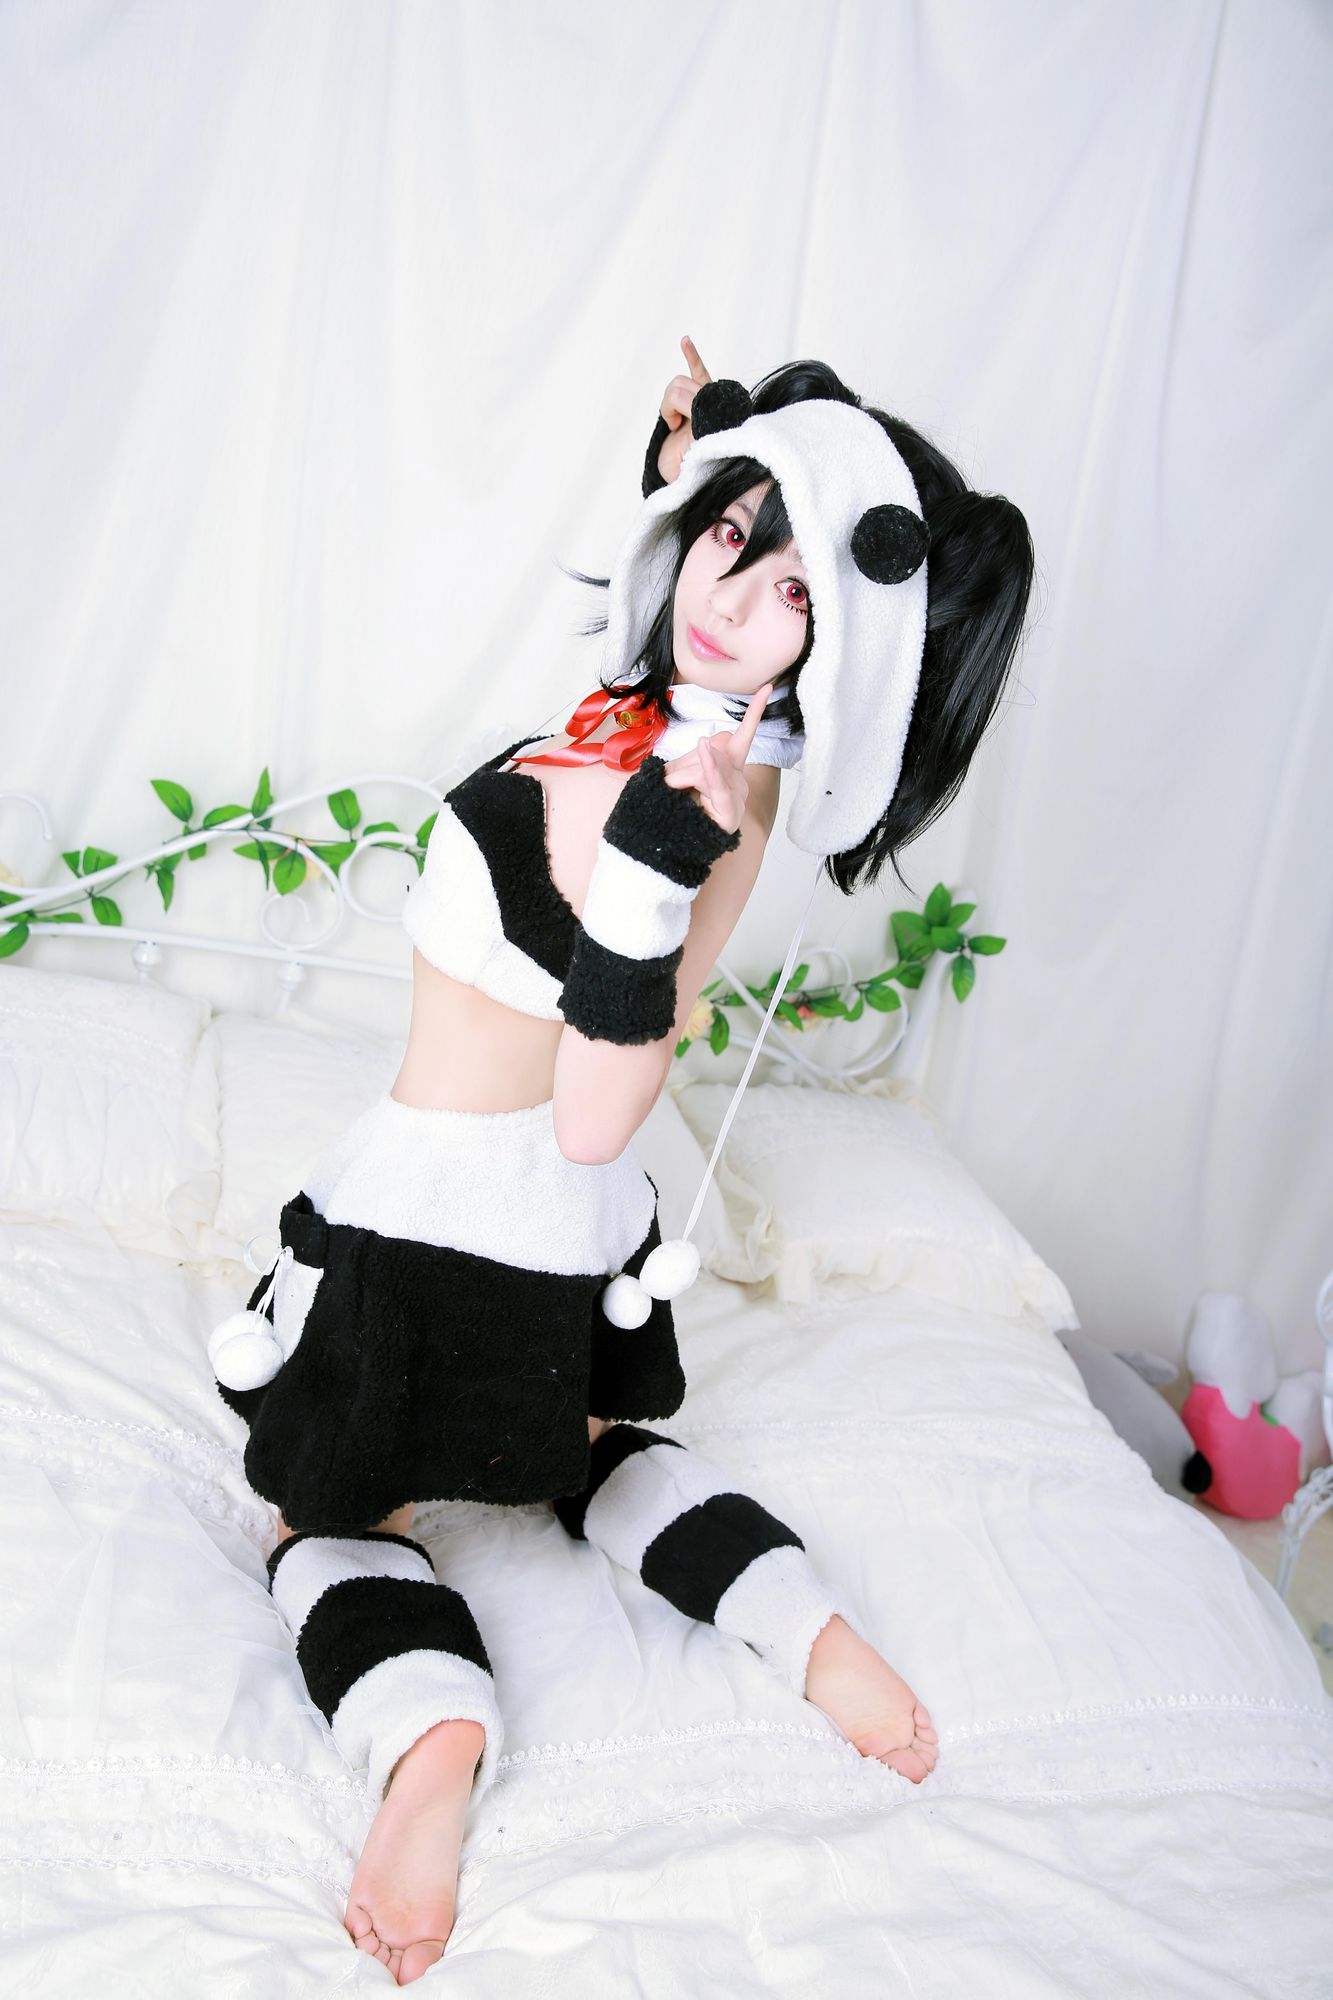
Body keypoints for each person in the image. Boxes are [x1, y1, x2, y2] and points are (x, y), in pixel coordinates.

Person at [208, 336, 1034, 1983]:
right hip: (570, 1241)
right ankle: (798, 1622)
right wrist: (693, 463)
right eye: (731, 537)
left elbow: (598, 1100)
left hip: (442, 1231)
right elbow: (670, 634)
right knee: (582, 1449)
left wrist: (656, 874)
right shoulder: (695, 746)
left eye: (796, 594)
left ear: (845, 651)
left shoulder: (685, 803)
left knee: (321, 1521)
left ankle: (430, 1742)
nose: (730, 598)